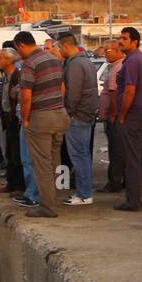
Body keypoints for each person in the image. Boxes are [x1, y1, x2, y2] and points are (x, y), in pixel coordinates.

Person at [13, 31, 68, 218]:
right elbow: (62, 87)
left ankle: (48, 207)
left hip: (41, 118)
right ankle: (56, 198)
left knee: (42, 165)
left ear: (20, 45)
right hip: (59, 114)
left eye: (16, 49)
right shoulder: (53, 59)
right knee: (55, 161)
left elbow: (26, 95)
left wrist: (26, 119)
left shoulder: (29, 64)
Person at [113, 26, 142, 212]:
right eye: (120, 38)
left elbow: (130, 90)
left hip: (135, 114)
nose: (120, 41)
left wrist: (121, 114)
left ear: (134, 42)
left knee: (133, 159)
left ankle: (133, 201)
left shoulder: (131, 62)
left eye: (124, 38)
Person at [57, 29, 97, 206]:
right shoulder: (86, 62)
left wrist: (68, 113)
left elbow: (73, 93)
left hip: (77, 116)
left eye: (59, 48)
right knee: (83, 155)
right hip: (86, 115)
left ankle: (84, 194)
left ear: (66, 45)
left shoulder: (74, 65)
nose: (59, 51)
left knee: (79, 156)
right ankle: (85, 192)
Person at [0, 48, 24, 195]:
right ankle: (11, 182)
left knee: (16, 152)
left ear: (10, 60)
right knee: (10, 151)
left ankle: (18, 185)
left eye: (0, 58)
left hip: (15, 118)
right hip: (6, 116)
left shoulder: (17, 75)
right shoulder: (5, 76)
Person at [98, 41, 125, 192]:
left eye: (107, 51)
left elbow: (114, 93)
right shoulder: (116, 67)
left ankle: (114, 182)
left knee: (116, 150)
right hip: (113, 116)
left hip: (113, 117)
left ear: (117, 51)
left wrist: (112, 114)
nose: (105, 54)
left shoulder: (117, 69)